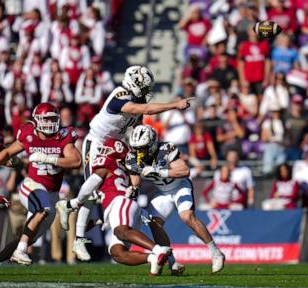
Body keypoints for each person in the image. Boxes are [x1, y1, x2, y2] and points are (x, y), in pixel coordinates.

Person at [56, 65, 193, 261]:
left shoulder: (136, 102)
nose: (146, 92)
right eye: (144, 88)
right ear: (134, 85)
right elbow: (144, 109)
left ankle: (88, 215)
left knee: (119, 185)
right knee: (94, 191)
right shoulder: (120, 96)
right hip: (96, 143)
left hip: (116, 143)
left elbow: (137, 125)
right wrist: (174, 105)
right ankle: (78, 236)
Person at [61, 138, 172, 275]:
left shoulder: (107, 164)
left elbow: (88, 186)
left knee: (121, 231)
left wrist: (75, 202)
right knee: (117, 253)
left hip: (120, 202)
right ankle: (153, 259)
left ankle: (159, 250)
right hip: (122, 206)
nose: (102, 154)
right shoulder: (121, 168)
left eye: (106, 151)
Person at [0, 102, 81, 268]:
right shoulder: (28, 133)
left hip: (52, 193)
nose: (50, 123)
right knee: (42, 209)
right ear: (37, 120)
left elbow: (76, 160)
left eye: (53, 119)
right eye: (46, 120)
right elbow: (9, 152)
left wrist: (50, 159)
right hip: (32, 185)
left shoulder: (62, 136)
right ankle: (20, 251)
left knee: (27, 237)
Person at [125, 125, 225, 274]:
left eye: (143, 148)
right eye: (136, 148)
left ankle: (215, 252)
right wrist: (132, 189)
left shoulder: (166, 148)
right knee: (154, 223)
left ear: (152, 143)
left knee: (187, 216)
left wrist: (159, 171)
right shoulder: (132, 158)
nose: (139, 152)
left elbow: (184, 171)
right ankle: (173, 263)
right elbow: (136, 182)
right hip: (162, 192)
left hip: (179, 186)